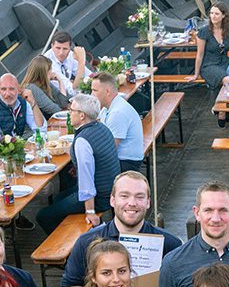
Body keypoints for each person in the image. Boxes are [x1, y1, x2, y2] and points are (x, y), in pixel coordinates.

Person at [61, 171, 183, 287]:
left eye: (139, 197)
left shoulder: (170, 244)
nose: (132, 203)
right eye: (124, 196)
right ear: (112, 200)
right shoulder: (87, 242)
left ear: (148, 202)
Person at [35, 94, 121, 234]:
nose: (69, 113)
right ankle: (69, 233)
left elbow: (86, 181)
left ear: (82, 115)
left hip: (100, 197)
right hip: (111, 189)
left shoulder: (83, 140)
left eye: (72, 110)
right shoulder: (101, 128)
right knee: (58, 198)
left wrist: (90, 211)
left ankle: (65, 249)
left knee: (44, 216)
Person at [91, 72, 145, 173]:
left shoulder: (117, 113)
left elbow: (109, 149)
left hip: (127, 163)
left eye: (95, 91)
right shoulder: (108, 107)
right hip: (120, 159)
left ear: (107, 91)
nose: (91, 95)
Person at [191, 1, 229, 99]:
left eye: (216, 14)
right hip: (209, 65)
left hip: (225, 62)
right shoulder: (204, 31)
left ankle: (228, 110)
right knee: (228, 80)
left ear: (223, 15)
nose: (213, 16)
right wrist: (196, 74)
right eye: (211, 13)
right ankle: (223, 107)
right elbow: (200, 54)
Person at [22, 55, 70, 126]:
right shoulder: (31, 88)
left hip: (48, 125)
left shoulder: (44, 84)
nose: (52, 72)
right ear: (43, 73)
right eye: (50, 70)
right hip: (36, 129)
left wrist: (60, 82)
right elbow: (56, 110)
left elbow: (64, 103)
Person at [45, 30, 87, 97]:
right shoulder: (47, 62)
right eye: (58, 48)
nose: (61, 52)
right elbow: (72, 91)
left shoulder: (70, 54)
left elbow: (88, 75)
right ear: (52, 46)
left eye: (65, 49)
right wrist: (81, 62)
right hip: (58, 99)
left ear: (70, 48)